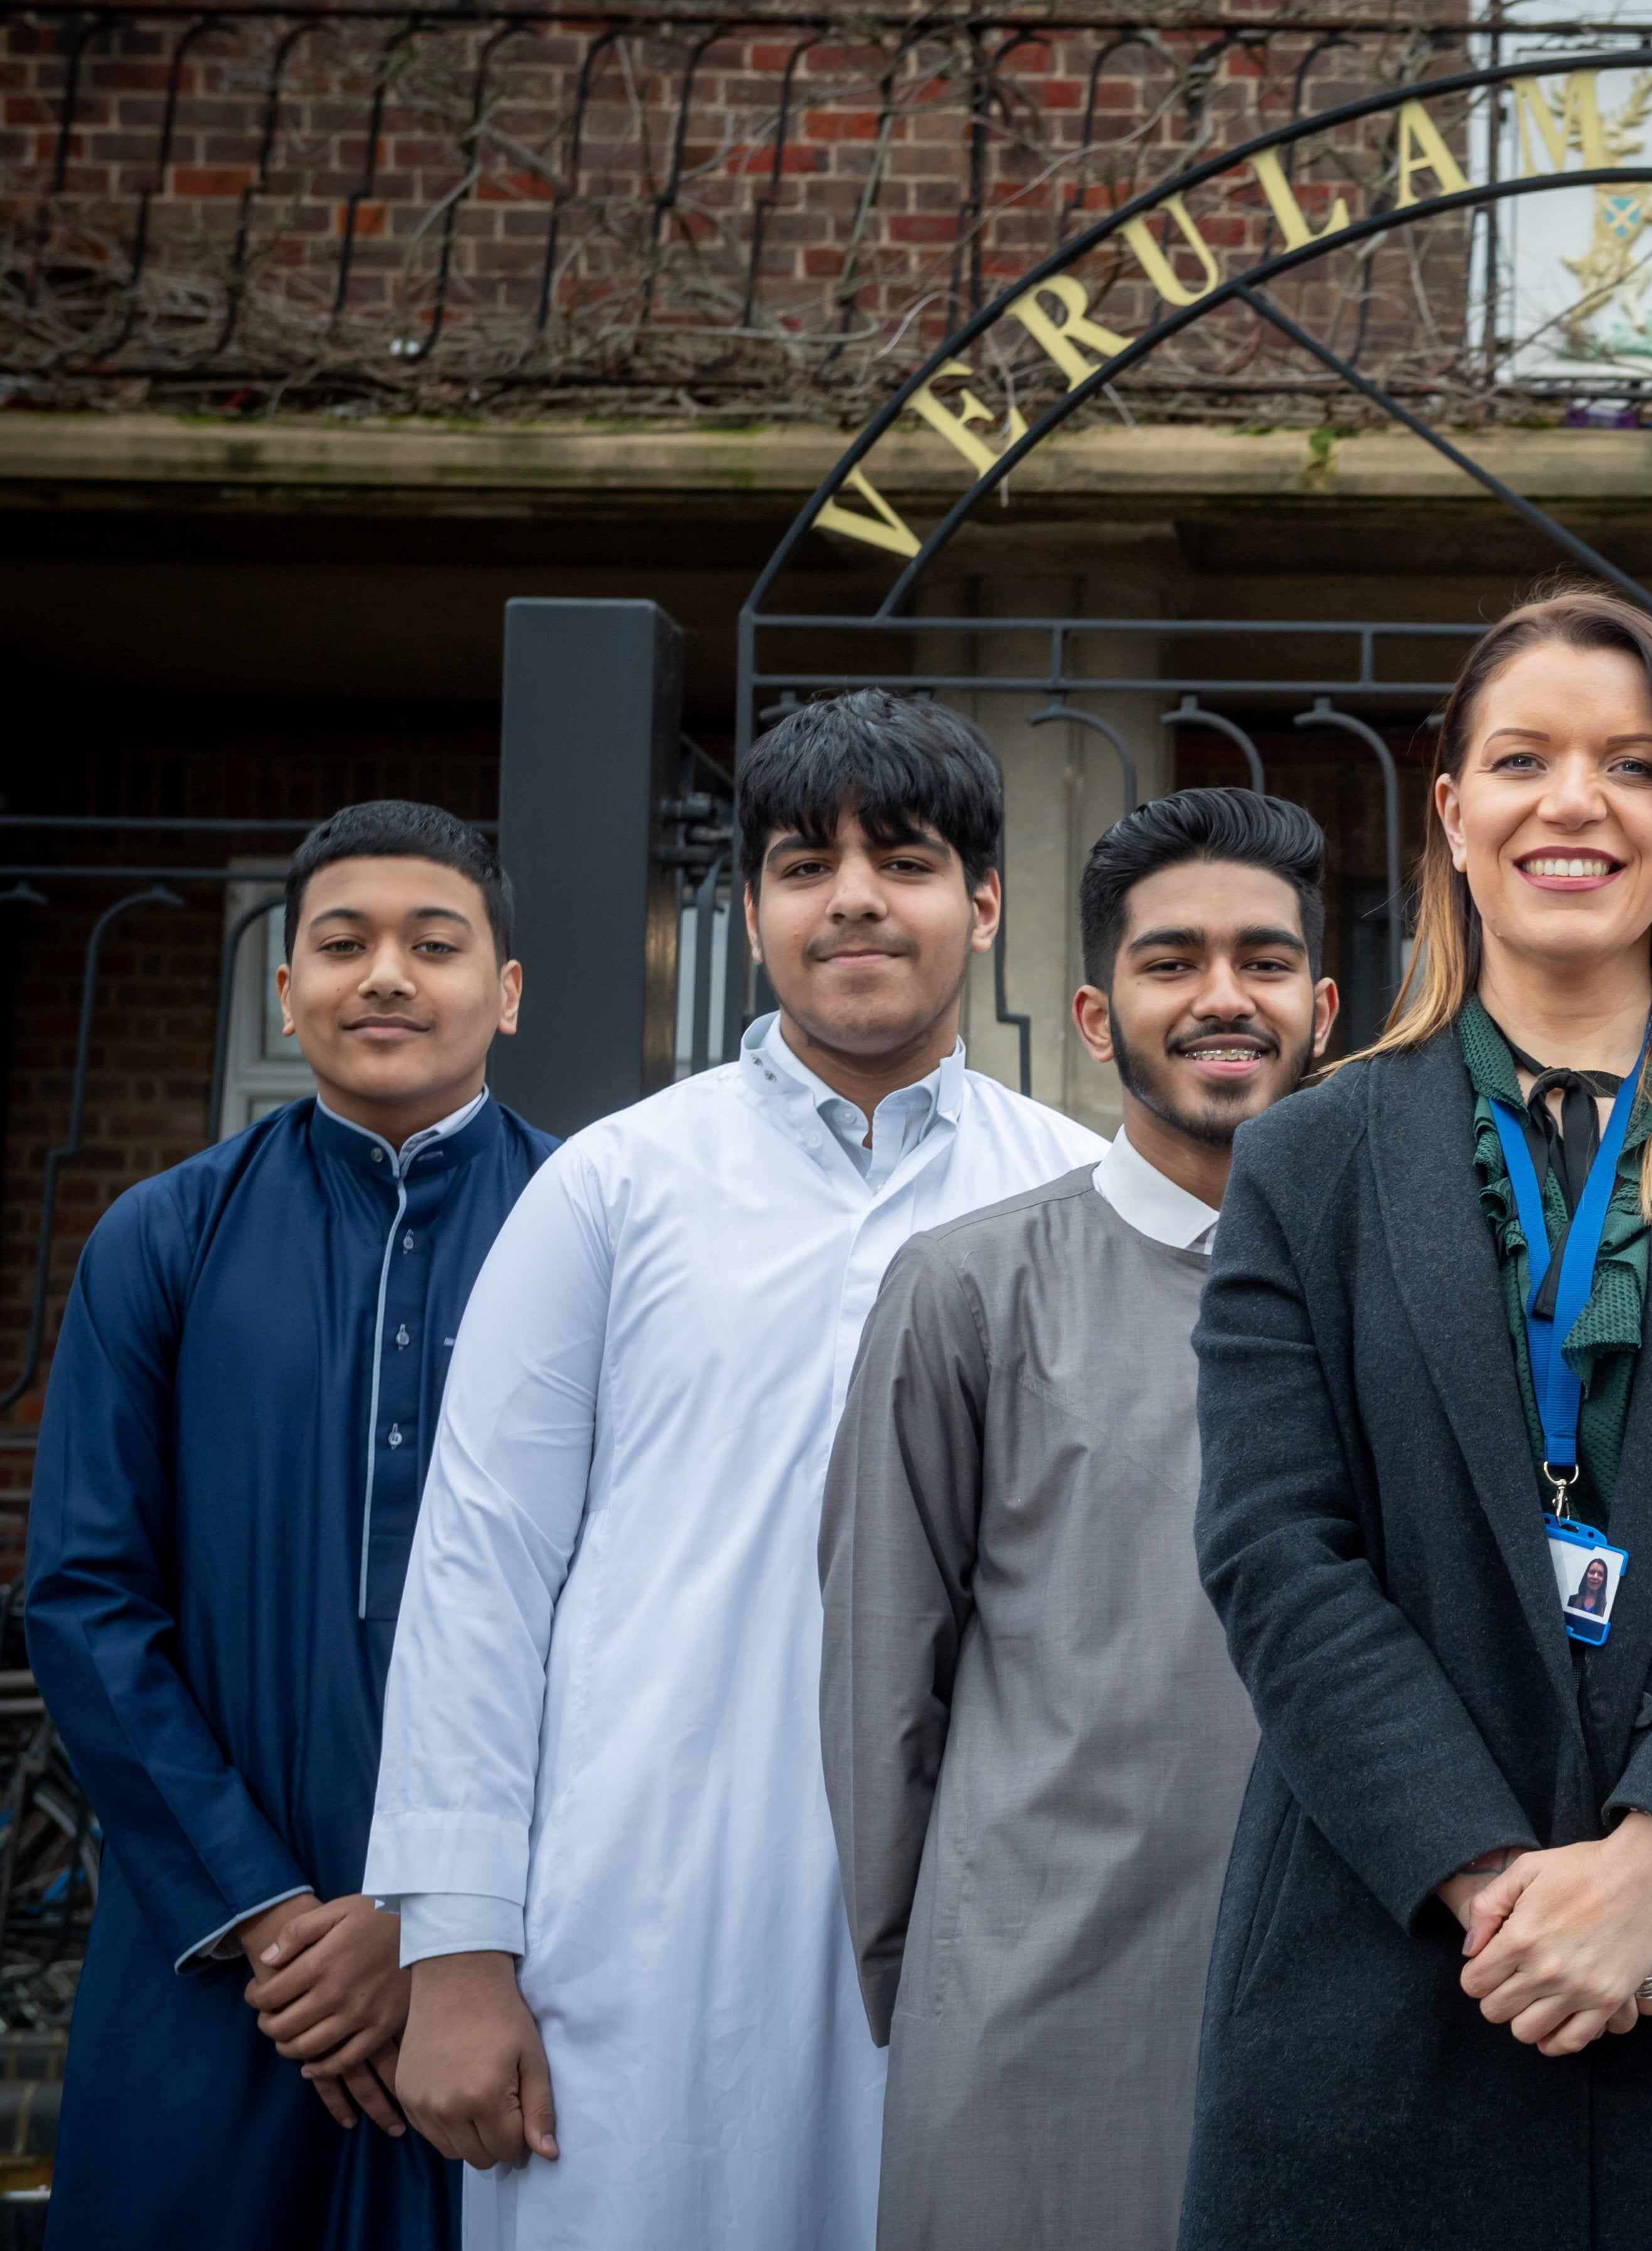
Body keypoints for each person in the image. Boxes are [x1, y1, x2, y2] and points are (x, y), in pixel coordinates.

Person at [1181, 588, 1652, 2248]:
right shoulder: (1311, 1160)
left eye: (1630, 763)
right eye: (1521, 759)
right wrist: (1499, 1891)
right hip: (1387, 1977)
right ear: (1453, 812)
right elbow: (1273, 1548)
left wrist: (1650, 1863)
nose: (1572, 802)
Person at [363, 692, 1104, 2247]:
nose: (848, 898)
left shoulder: (1074, 1199)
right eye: (799, 863)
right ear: (750, 909)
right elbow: (481, 1570)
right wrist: (456, 1948)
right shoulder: (614, 1187)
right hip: (636, 1917)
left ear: (981, 901)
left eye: (900, 861)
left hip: (974, 1922)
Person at [24, 802, 551, 2250]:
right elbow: (83, 1596)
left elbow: (636, 1610)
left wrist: (427, 1916)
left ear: (505, 992)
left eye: (434, 945)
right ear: (285, 991)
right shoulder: (163, 1235)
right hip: (219, 1956)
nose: (386, 974)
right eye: (343, 943)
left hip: (501, 1955)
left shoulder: (592, 1228)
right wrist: (267, 1912)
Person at [821, 788, 1332, 2251]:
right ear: (1100, 1018)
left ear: (1321, 1006)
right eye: (1172, 963)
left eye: (1263, 961)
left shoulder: (1400, 1302)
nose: (1222, 998)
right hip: (1022, 2018)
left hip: (1340, 2011)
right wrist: (931, 1988)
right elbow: (879, 1681)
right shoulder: (966, 1288)